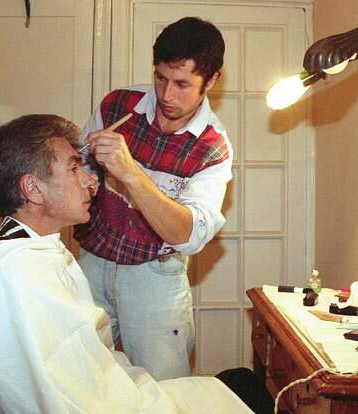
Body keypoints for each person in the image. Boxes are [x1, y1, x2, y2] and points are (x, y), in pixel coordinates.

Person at [0, 114, 272, 413]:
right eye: (74, 168)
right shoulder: (18, 275)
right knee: (243, 388)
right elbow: (70, 400)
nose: (92, 182)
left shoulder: (17, 252)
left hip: (108, 391)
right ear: (33, 189)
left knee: (236, 384)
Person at [75, 16, 232, 380]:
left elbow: (187, 236)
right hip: (91, 261)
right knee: (78, 378)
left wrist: (131, 174)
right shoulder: (117, 105)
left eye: (182, 84)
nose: (166, 95)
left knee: (164, 387)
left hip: (155, 274)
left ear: (211, 80)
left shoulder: (213, 146)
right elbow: (76, 171)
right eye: (160, 78)